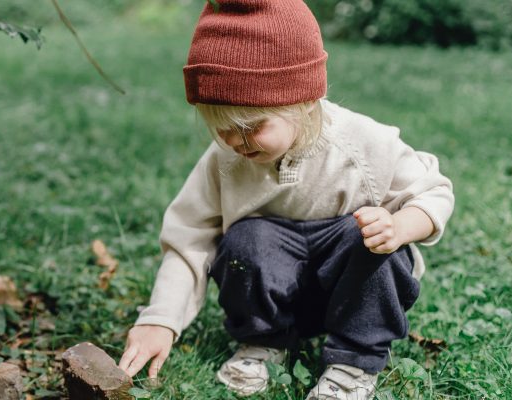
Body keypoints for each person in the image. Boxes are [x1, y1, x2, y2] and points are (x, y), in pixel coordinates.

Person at [117, 0, 455, 399]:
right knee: (248, 239)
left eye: (252, 126)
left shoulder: (362, 144)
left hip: (348, 288)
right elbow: (188, 238)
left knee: (370, 240)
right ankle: (265, 341)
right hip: (276, 289)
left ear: (304, 100)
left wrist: (400, 226)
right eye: (222, 128)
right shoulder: (225, 162)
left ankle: (353, 361)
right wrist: (160, 320)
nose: (237, 143)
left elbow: (434, 190)